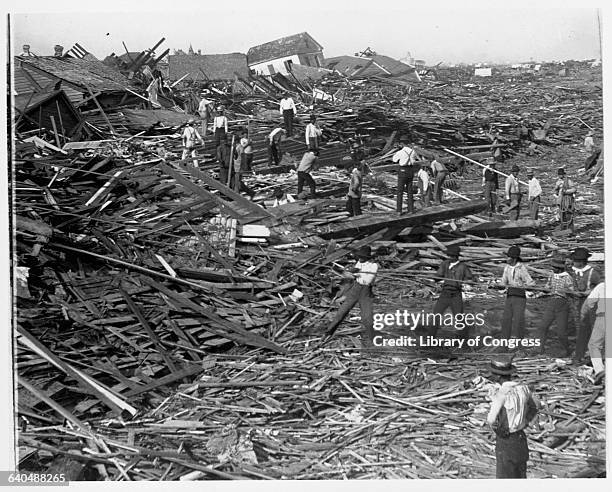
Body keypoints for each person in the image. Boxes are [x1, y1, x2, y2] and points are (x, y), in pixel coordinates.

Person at [486, 357, 540, 479]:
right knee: (520, 475)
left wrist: (498, 429)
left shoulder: (500, 394)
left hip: (506, 441)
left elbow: (491, 419)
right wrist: (525, 422)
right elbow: (535, 406)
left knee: (505, 476)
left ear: (498, 376)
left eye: (493, 374)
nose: (491, 377)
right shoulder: (523, 389)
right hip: (521, 439)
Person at [324, 245, 378, 347]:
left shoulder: (373, 266)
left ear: (367, 257)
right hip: (355, 289)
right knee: (342, 311)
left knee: (367, 316)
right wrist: (347, 272)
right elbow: (355, 271)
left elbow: (367, 280)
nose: (360, 258)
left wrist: (356, 275)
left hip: (365, 291)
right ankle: (328, 332)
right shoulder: (359, 263)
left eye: (362, 257)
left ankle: (372, 338)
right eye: (359, 256)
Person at [428, 245, 473, 341]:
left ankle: (463, 340)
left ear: (456, 256)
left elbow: (470, 278)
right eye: (448, 255)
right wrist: (433, 279)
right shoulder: (445, 264)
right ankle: (430, 338)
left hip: (456, 295)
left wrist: (467, 283)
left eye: (451, 256)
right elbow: (438, 276)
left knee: (459, 317)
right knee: (436, 315)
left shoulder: (463, 267)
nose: (449, 257)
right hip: (445, 294)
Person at [536, 255, 574, 356]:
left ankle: (567, 350)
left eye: (554, 267)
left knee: (561, 332)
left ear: (559, 268)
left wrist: (565, 291)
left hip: (562, 304)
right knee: (542, 327)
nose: (552, 268)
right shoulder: (552, 275)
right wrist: (542, 291)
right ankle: (540, 350)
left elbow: (572, 292)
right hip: (552, 302)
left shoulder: (567, 277)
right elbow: (547, 287)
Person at [569, 247, 601, 365]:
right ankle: (581, 354)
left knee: (590, 329)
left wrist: (590, 292)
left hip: (591, 304)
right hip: (577, 303)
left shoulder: (593, 272)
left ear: (582, 261)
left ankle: (589, 356)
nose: (574, 262)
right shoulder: (572, 272)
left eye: (576, 260)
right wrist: (572, 292)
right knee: (581, 329)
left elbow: (601, 287)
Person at [500, 246, 535, 340]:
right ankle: (504, 343)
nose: (506, 259)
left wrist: (526, 287)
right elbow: (503, 282)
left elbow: (530, 283)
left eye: (508, 257)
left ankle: (520, 344)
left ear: (514, 259)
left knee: (518, 321)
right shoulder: (507, 268)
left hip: (519, 297)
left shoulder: (521, 268)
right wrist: (498, 286)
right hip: (510, 296)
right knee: (506, 320)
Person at [581, 281, 605, 383]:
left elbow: (589, 303)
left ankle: (600, 371)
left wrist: (583, 315)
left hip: (604, 317)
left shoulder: (602, 286)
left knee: (594, 345)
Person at [392, 142, 418, 214]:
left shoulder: (400, 152)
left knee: (400, 191)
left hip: (403, 170)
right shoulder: (413, 151)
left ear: (402, 144)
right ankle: (411, 209)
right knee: (410, 191)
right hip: (410, 170)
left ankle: (399, 211)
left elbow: (394, 160)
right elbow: (415, 158)